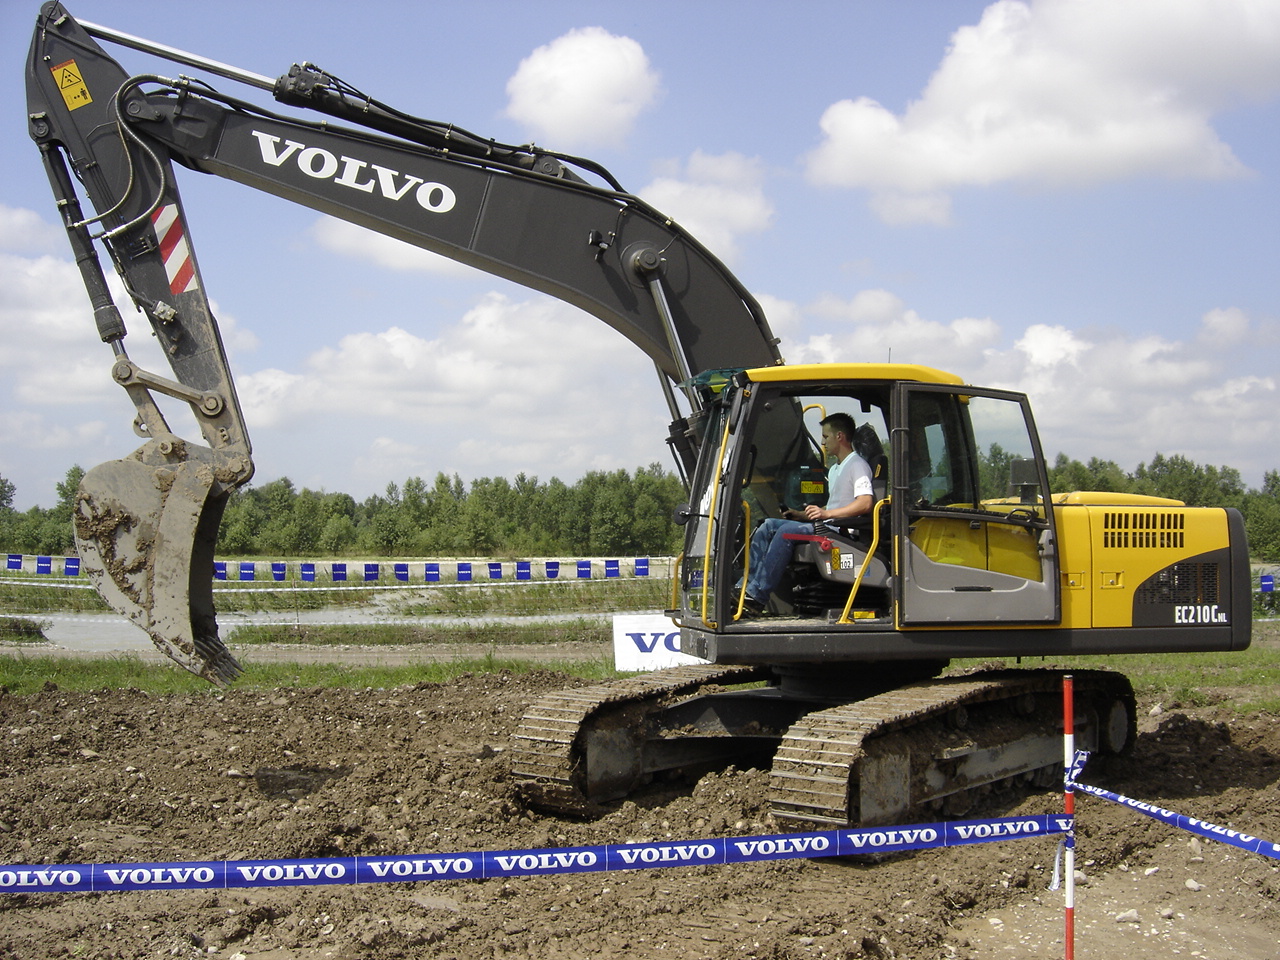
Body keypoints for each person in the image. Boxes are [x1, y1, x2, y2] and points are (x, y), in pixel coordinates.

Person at [743, 413, 873, 615]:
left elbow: (865, 503)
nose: (823, 442)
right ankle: (746, 588)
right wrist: (801, 515)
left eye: (826, 436)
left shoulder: (857, 465)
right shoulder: (835, 469)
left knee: (786, 533)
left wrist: (826, 513)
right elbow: (833, 507)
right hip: (828, 524)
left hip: (841, 531)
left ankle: (757, 596)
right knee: (767, 525)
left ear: (839, 436)